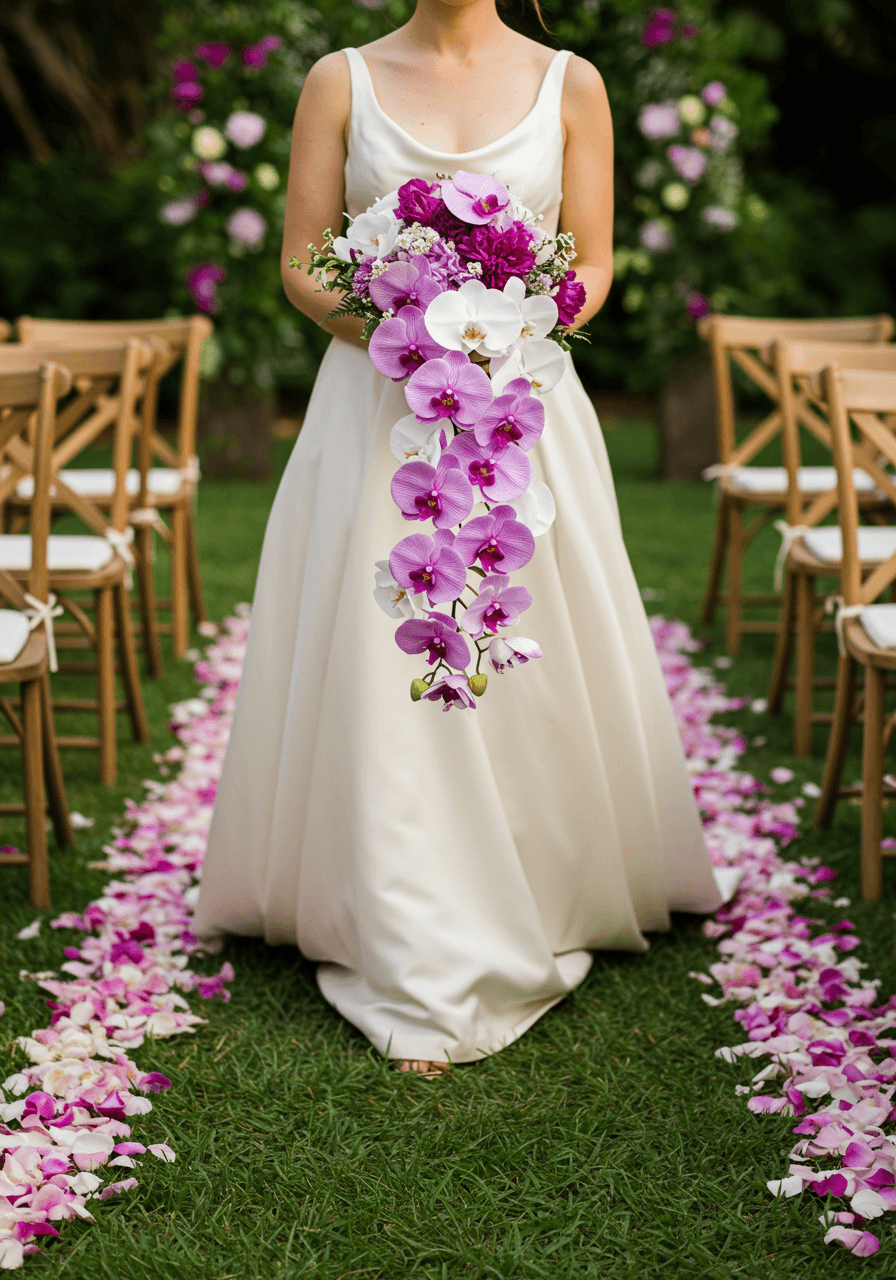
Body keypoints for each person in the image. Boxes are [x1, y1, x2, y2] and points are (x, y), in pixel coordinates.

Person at [194, 0, 724, 1077]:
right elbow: (301, 263)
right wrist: (408, 329)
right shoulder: (337, 80)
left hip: (518, 406)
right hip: (375, 412)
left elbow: (593, 269)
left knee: (523, 642)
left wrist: (503, 327)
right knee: (378, 649)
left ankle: (553, 873)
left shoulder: (571, 82)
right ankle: (399, 916)